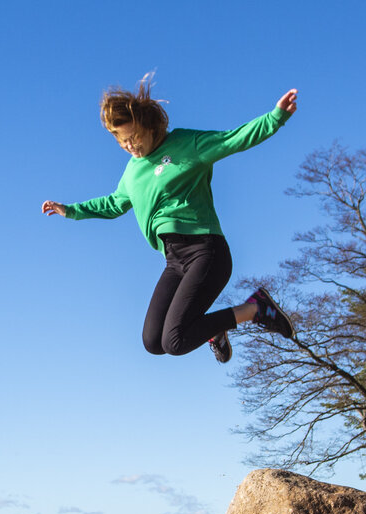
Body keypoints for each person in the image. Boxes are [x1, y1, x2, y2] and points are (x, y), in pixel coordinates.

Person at [42, 76, 298, 363]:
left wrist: (275, 118)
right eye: (123, 141)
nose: (130, 146)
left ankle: (256, 309)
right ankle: (215, 329)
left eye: (135, 137)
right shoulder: (132, 172)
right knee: (153, 342)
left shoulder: (186, 144)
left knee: (174, 341)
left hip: (206, 250)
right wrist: (71, 210)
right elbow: (113, 203)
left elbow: (233, 140)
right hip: (174, 260)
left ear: (151, 126)